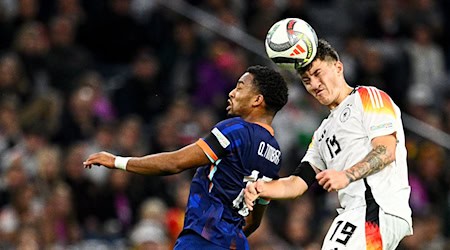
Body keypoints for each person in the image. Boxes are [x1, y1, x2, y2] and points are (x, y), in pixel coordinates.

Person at [83, 65, 289, 249]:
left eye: (240, 87)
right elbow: (254, 220)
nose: (232, 93)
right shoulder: (275, 153)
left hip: (203, 237)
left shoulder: (235, 129)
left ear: (257, 100)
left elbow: (175, 163)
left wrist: (118, 161)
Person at [244, 39, 413, 250]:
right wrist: (262, 188)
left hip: (375, 208)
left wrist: (346, 175)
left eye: (317, 73)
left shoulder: (367, 97)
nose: (314, 85)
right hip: (356, 212)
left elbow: (387, 150)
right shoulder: (322, 132)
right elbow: (297, 183)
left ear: (338, 67)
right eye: (306, 80)